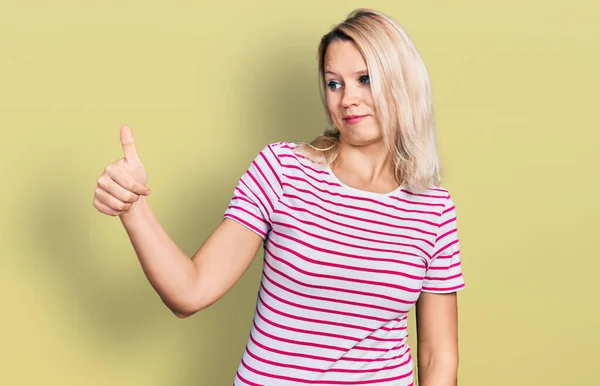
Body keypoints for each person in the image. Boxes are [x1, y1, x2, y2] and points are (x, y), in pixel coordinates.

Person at [93, 8, 465, 386]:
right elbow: (189, 292)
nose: (347, 98)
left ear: (401, 82)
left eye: (364, 79)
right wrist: (133, 207)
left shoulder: (432, 208)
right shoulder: (283, 171)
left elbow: (438, 358)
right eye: (334, 83)